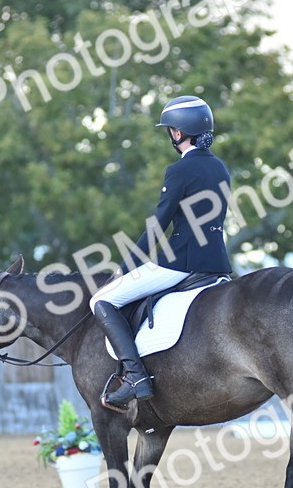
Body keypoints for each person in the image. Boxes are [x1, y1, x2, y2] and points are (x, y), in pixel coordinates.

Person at [91, 95, 233, 411]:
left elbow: (158, 226)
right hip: (218, 263)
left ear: (179, 133)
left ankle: (135, 378)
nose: (170, 135)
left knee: (100, 300)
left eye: (170, 130)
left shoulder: (179, 170)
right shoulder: (220, 168)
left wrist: (125, 267)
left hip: (181, 263)